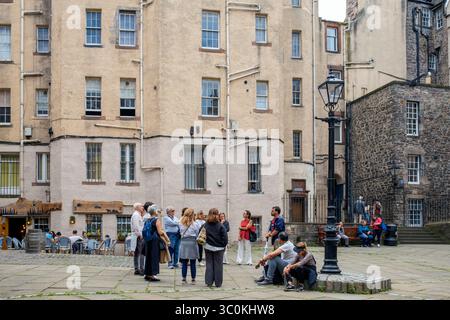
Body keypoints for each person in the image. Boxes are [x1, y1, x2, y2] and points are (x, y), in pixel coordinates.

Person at [144, 206, 170, 282]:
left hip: (148, 240)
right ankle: (153, 274)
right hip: (154, 240)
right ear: (155, 212)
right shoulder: (156, 220)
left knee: (148, 256)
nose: (158, 212)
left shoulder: (147, 220)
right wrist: (165, 236)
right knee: (154, 256)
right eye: (157, 211)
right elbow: (160, 232)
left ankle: (147, 274)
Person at [204, 208, 228, 288]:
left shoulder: (205, 224)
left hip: (208, 247)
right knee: (218, 266)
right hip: (219, 248)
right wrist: (223, 245)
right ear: (217, 215)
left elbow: (201, 233)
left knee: (209, 264)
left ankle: (209, 282)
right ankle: (218, 283)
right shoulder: (220, 225)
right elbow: (225, 238)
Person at [178, 208, 201, 284]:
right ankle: (193, 278)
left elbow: (179, 232)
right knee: (193, 262)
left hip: (184, 242)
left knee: (184, 261)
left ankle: (184, 278)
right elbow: (197, 234)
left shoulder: (180, 223)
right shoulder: (195, 224)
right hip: (192, 242)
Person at [131, 202, 146, 275]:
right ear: (137, 207)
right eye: (141, 206)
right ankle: (141, 268)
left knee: (137, 253)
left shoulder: (138, 214)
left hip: (138, 236)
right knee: (140, 253)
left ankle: (137, 268)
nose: (143, 208)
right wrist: (140, 235)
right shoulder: (136, 215)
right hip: (139, 236)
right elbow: (136, 226)